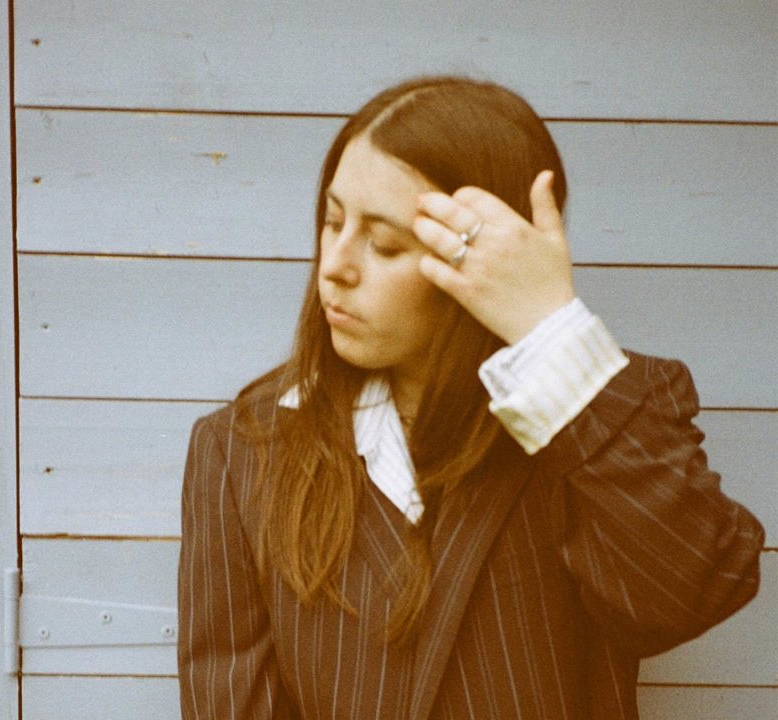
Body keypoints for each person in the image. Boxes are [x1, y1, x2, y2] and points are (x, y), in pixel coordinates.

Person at [176, 75, 764, 720]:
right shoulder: (241, 448)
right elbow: (230, 701)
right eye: (332, 220)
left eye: (385, 243)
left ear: (485, 262)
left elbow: (686, 596)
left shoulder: (602, 410)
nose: (335, 265)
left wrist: (550, 334)